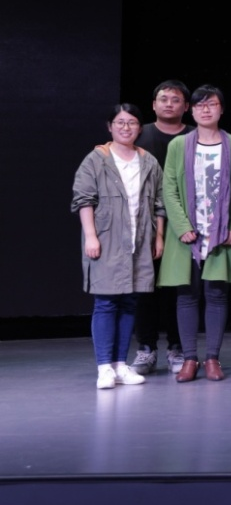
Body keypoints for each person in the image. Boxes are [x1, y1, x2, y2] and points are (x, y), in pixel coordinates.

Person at [72, 105, 165, 389]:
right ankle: (104, 367)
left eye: (132, 122)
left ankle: (120, 365)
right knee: (106, 302)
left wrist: (158, 236)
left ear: (139, 128)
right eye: (120, 122)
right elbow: (84, 199)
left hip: (140, 240)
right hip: (107, 238)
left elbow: (159, 203)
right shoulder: (96, 159)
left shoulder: (148, 161)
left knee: (129, 302)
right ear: (110, 126)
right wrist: (91, 236)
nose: (126, 128)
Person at [158, 85, 231, 382]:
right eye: (199, 105)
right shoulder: (178, 145)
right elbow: (169, 188)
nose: (205, 110)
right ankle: (189, 358)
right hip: (187, 233)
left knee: (217, 295)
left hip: (220, 233)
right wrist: (182, 227)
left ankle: (212, 358)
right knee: (186, 295)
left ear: (221, 109)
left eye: (212, 104)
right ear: (191, 110)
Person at [131, 80, 190, 376]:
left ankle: (177, 347)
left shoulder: (195, 136)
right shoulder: (139, 134)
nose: (169, 103)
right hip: (143, 223)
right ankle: (146, 347)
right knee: (145, 287)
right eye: (163, 99)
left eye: (175, 99)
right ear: (154, 105)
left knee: (180, 288)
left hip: (185, 224)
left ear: (186, 106)